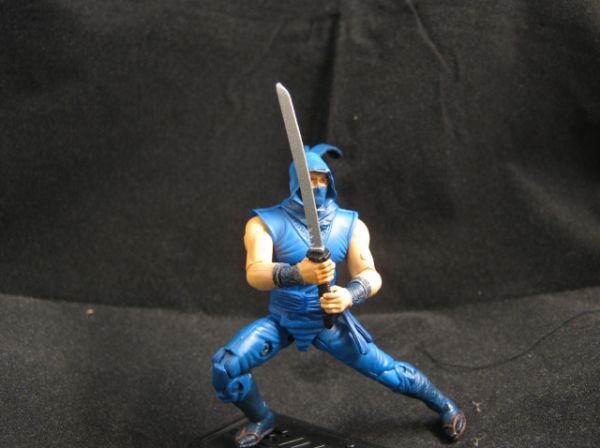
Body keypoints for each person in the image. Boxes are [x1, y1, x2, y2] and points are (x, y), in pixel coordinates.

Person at [212, 144, 466, 447]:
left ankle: (444, 405)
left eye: (323, 179)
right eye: (310, 179)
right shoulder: (265, 223)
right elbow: (255, 272)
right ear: (295, 181)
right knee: (226, 366)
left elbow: (370, 275)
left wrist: (349, 294)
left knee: (388, 371)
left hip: (327, 320)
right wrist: (298, 274)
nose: (317, 186)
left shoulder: (350, 224)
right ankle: (261, 417)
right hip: (283, 319)